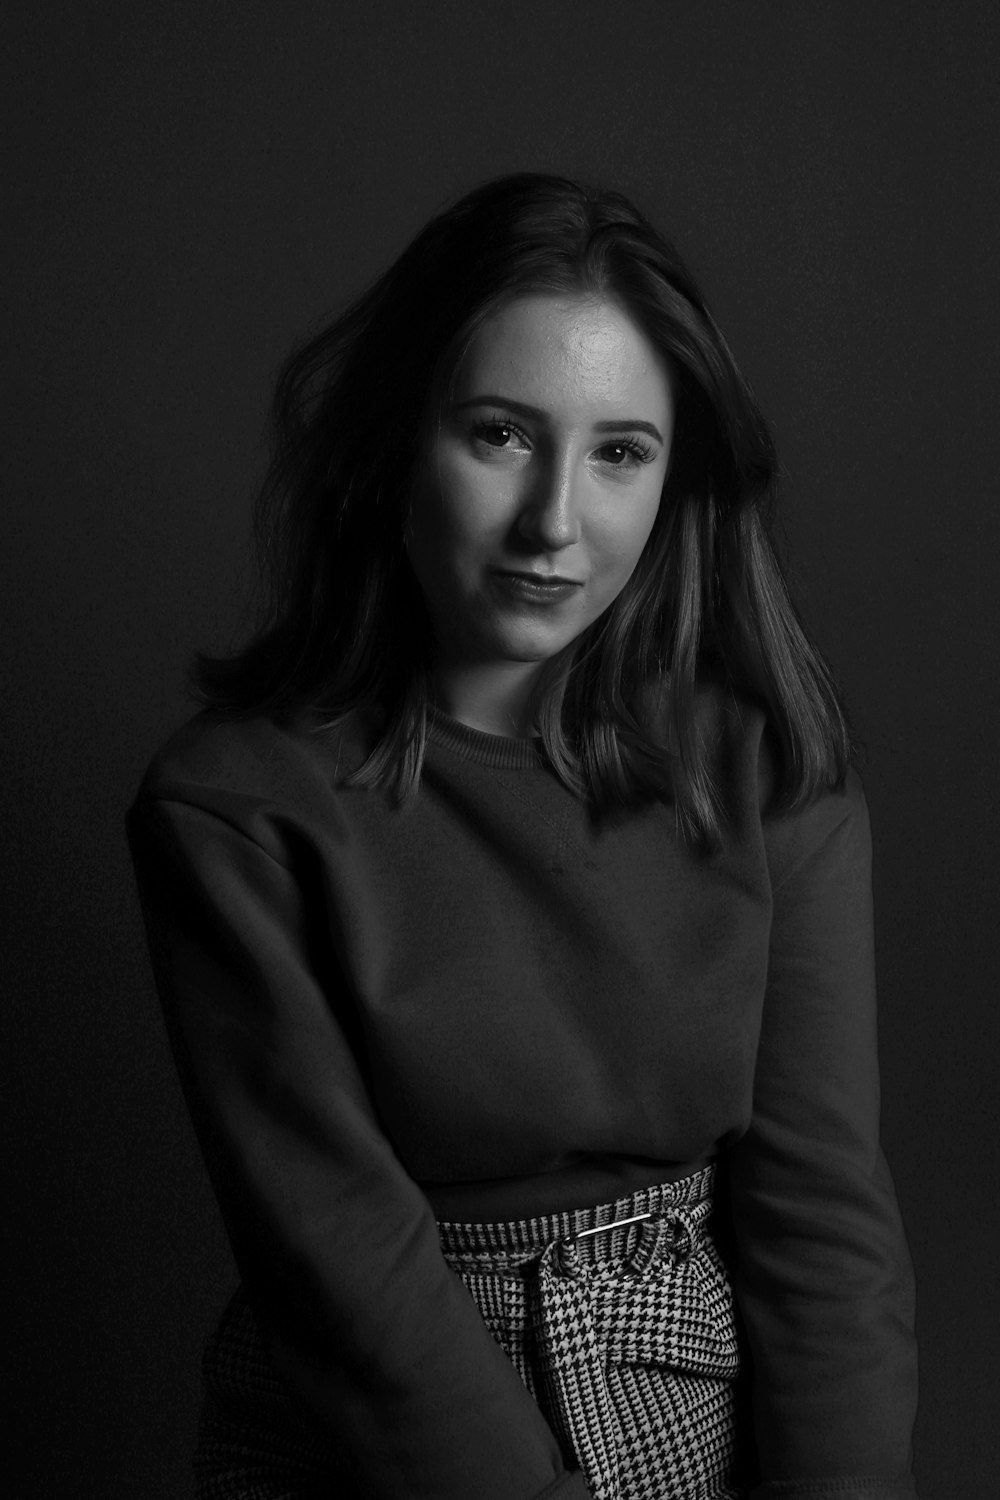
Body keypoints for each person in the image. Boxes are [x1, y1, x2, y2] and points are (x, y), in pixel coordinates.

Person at [127, 173, 921, 1500]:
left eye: (621, 452)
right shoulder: (237, 805)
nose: (556, 520)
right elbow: (337, 1257)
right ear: (398, 441)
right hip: (356, 1430)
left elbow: (825, 1219)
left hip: (681, 1388)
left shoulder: (770, 772)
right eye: (501, 434)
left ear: (679, 480)